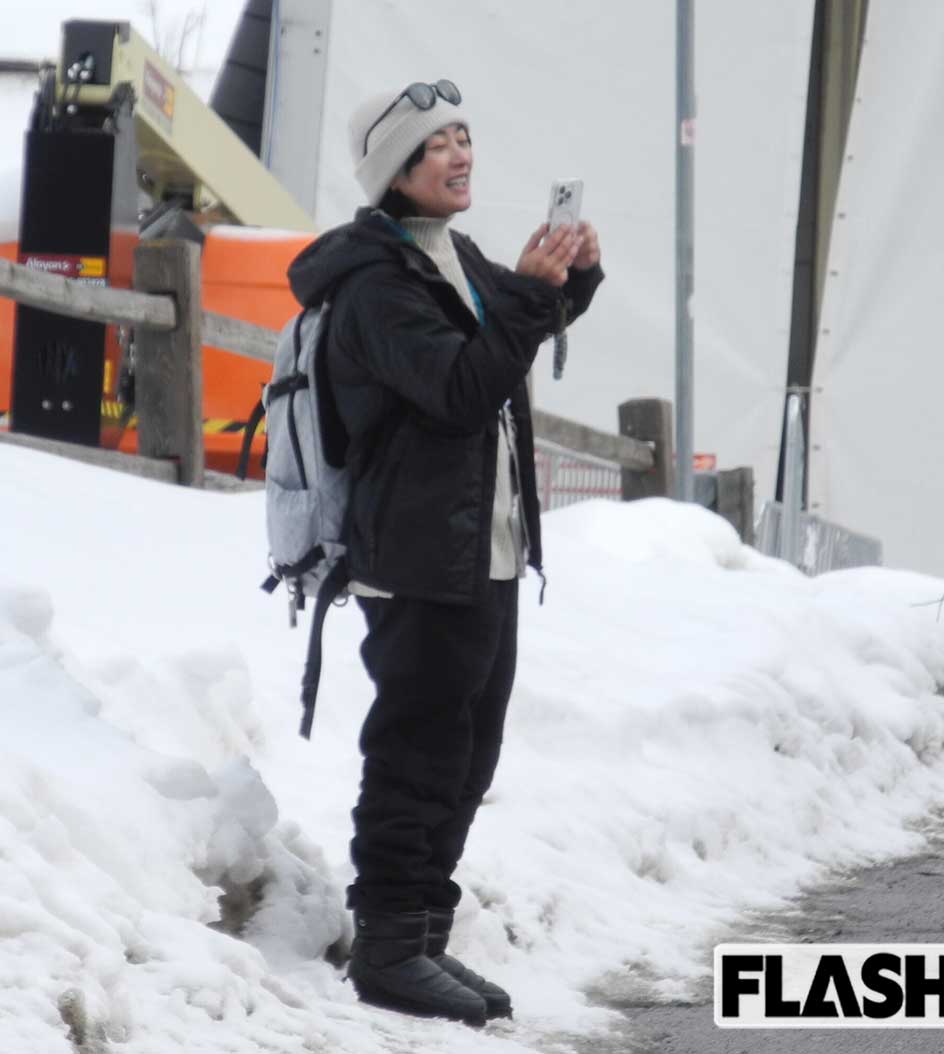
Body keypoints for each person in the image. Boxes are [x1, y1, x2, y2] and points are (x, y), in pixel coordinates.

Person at [287, 80, 603, 1026]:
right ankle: (387, 945)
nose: (461, 156)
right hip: (419, 554)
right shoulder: (376, 286)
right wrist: (530, 296)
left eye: (464, 138)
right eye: (437, 147)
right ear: (397, 170)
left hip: (482, 551)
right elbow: (463, 389)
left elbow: (503, 342)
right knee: (417, 748)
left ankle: (423, 935)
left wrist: (566, 282)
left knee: (468, 750)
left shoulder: (449, 256)